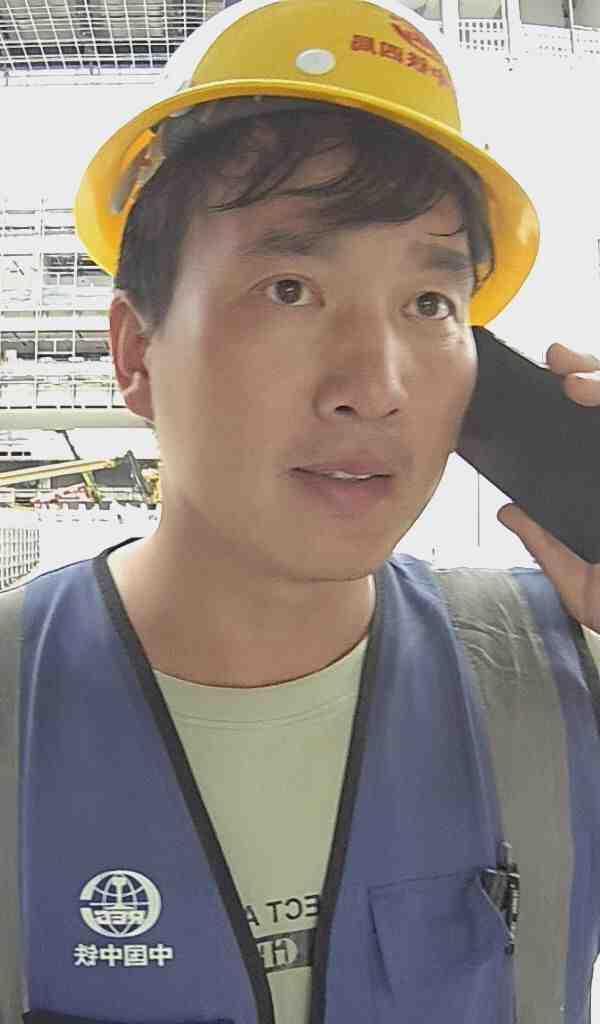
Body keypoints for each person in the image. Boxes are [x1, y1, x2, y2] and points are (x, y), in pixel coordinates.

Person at [3, 2, 600, 1023]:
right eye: (290, 288)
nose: (376, 388)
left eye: (429, 305)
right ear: (136, 353)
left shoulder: (562, 673)